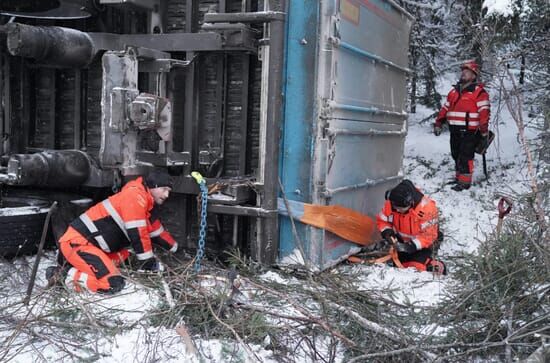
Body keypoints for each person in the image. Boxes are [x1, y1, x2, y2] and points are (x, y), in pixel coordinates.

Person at [46, 170, 178, 293]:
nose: (167, 195)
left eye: (169, 191)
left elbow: (156, 232)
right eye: (164, 189)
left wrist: (175, 249)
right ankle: (62, 276)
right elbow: (138, 234)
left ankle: (75, 267)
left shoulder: (143, 204)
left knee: (129, 256)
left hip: (91, 246)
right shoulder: (135, 197)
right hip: (79, 244)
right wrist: (147, 262)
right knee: (112, 283)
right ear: (153, 186)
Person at [434, 60, 491, 191]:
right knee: (456, 154)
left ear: (474, 75)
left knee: (466, 156)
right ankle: (459, 178)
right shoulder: (454, 92)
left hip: (470, 132)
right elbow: (445, 108)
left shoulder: (479, 92)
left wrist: (484, 132)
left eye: (467, 71)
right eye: (463, 71)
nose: (463, 73)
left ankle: (465, 183)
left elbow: (484, 113)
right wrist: (438, 122)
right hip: (454, 130)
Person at [376, 179, 446, 274]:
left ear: (410, 203)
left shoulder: (427, 209)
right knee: (400, 265)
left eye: (401, 209)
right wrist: (387, 231)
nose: (398, 211)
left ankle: (434, 265)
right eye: (396, 208)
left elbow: (429, 236)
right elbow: (382, 221)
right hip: (401, 242)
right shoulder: (391, 204)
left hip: (424, 244)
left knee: (415, 267)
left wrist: (412, 246)